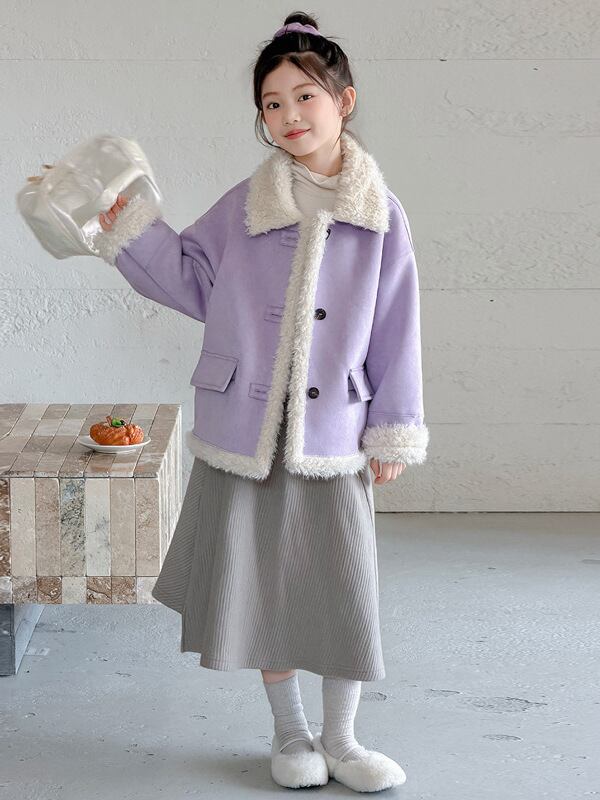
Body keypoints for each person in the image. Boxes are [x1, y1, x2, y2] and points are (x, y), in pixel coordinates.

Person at [95, 11, 428, 793]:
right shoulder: (247, 205)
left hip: (333, 430)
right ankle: (291, 734)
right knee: (264, 587)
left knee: (342, 588)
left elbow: (397, 325)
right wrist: (131, 230)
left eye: (304, 96)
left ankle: (344, 740)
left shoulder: (380, 213)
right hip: (248, 428)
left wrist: (391, 430)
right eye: (272, 104)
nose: (288, 115)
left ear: (344, 100)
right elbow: (189, 278)